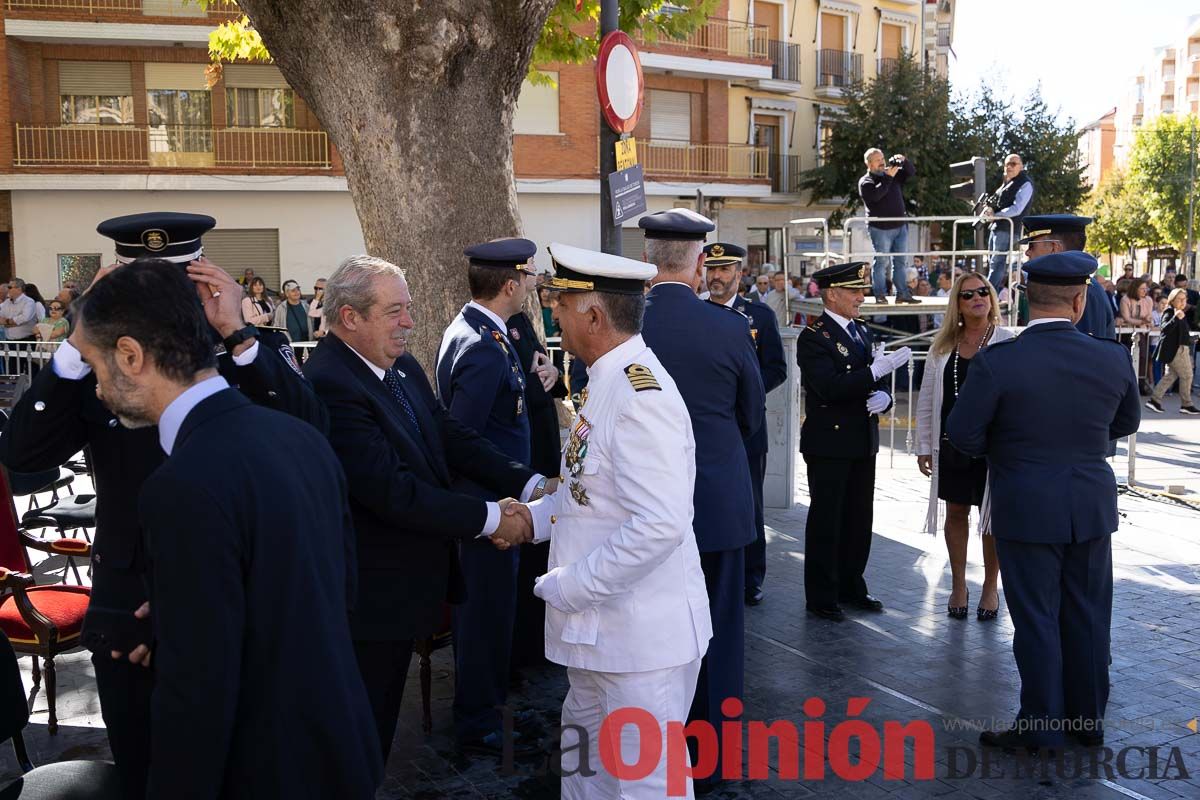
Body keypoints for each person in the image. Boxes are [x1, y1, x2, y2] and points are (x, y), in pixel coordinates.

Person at [0, 212, 327, 799]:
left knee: (235, 762)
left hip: (236, 595)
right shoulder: (101, 363)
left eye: (181, 283)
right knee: (144, 761)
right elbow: (23, 450)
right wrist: (80, 339)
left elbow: (309, 431)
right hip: (129, 598)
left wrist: (241, 336)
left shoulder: (239, 350)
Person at [68, 259, 381, 799]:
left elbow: (197, 696)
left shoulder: (179, 486)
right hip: (341, 748)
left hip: (264, 770)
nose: (97, 388)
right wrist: (179, 616)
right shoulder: (300, 438)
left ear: (130, 356)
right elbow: (331, 590)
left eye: (95, 366)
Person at [301, 255, 550, 763]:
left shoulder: (400, 364)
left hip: (406, 586)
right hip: (369, 597)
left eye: (408, 308)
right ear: (350, 318)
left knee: (379, 725)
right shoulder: (331, 383)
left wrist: (528, 481)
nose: (410, 322)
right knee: (359, 736)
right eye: (395, 311)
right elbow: (393, 492)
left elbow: (451, 435)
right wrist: (492, 518)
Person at [513, 242, 712, 800]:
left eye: (562, 303)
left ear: (594, 315)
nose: (553, 312)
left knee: (647, 789)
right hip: (602, 641)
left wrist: (571, 587)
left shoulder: (637, 393)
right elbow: (587, 493)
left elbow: (659, 524)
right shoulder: (606, 380)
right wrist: (528, 520)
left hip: (641, 645)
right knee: (584, 778)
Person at [946, 250, 1141, 752]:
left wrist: (1012, 453)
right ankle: (1087, 722)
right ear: (1079, 301)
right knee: (1089, 615)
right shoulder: (1112, 355)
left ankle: (1042, 728)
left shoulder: (998, 361)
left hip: (1026, 504)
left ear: (1026, 300)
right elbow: (1125, 424)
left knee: (1035, 619)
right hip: (1090, 505)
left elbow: (963, 434)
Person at [638, 208, 765, 788]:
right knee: (717, 631)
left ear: (648, 259)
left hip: (644, 506)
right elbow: (751, 417)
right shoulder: (728, 327)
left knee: (648, 629)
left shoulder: (627, 326)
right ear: (697, 263)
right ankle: (710, 755)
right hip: (715, 501)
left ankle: (650, 746)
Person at [434, 238, 540, 752]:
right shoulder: (480, 345)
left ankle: (490, 708)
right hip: (490, 511)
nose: (532, 285)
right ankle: (478, 720)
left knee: (495, 615)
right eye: (527, 277)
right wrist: (504, 503)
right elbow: (463, 440)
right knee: (484, 619)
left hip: (496, 503)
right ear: (509, 284)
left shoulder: (481, 332)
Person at [797, 261, 911, 621]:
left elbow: (870, 384)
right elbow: (829, 386)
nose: (862, 297)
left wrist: (886, 398)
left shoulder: (860, 332)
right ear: (832, 294)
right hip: (830, 441)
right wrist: (875, 371)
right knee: (827, 519)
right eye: (855, 291)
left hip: (862, 437)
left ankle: (851, 584)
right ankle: (821, 594)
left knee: (859, 518)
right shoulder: (814, 337)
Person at [915, 273, 1014, 622]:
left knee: (991, 521)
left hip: (995, 449)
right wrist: (924, 445)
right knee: (956, 513)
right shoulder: (943, 347)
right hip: (953, 446)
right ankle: (958, 585)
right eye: (968, 294)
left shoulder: (1007, 341)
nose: (977, 298)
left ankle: (990, 587)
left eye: (983, 292)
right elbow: (927, 401)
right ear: (957, 303)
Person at [703, 242, 787, 606]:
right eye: (711, 269)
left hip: (747, 429)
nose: (716, 276)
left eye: (724, 270)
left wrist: (744, 394)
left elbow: (776, 369)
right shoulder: (698, 313)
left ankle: (751, 577)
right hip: (707, 429)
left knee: (750, 503)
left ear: (740, 273)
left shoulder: (760, 317)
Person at [506, 279, 564, 675]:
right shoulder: (488, 332)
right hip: (519, 465)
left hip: (543, 457)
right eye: (528, 273)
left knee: (538, 560)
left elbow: (546, 375)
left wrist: (554, 373)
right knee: (521, 566)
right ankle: (519, 655)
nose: (534, 281)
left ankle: (535, 646)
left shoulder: (523, 322)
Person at [1020, 214, 1115, 340]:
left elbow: (1080, 348)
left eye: (1032, 245)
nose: (1027, 252)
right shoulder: (1079, 286)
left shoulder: (1081, 289)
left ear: (1054, 247)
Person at [859, 148, 918, 304]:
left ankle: (902, 294)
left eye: (883, 158)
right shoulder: (866, 182)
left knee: (901, 262)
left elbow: (911, 172)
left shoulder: (891, 175)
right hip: (880, 229)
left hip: (900, 226)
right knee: (882, 262)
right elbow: (876, 196)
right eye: (878, 160)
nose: (882, 162)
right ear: (869, 164)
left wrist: (904, 160)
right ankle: (879, 294)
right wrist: (888, 178)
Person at [984, 154, 1034, 290]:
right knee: (992, 262)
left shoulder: (1025, 183)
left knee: (997, 263)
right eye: (1007, 164)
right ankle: (990, 292)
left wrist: (996, 215)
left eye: (1013, 164)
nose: (1009, 167)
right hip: (997, 227)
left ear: (1021, 167)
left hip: (1007, 228)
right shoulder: (1007, 182)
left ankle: (990, 293)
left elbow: (1017, 208)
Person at [1147, 287, 1198, 414]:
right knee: (1187, 375)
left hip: (1181, 348)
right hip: (1176, 350)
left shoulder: (1180, 312)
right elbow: (1164, 329)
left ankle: (1155, 400)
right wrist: (1176, 317)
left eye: (1184, 299)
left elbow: (1181, 333)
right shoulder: (1170, 312)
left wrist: (1191, 339)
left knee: (1171, 376)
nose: (1183, 302)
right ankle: (1186, 404)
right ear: (1173, 300)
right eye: (1179, 299)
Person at [1119, 278, 1154, 392]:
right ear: (1136, 289)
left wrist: (1147, 320)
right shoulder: (1126, 299)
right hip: (1128, 332)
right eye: (1142, 289)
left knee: (1144, 357)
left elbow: (1149, 316)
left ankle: (1141, 383)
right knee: (1129, 357)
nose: (1145, 291)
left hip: (1143, 332)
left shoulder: (1148, 300)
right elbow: (1127, 318)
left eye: (1146, 288)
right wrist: (1142, 321)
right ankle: (1127, 383)